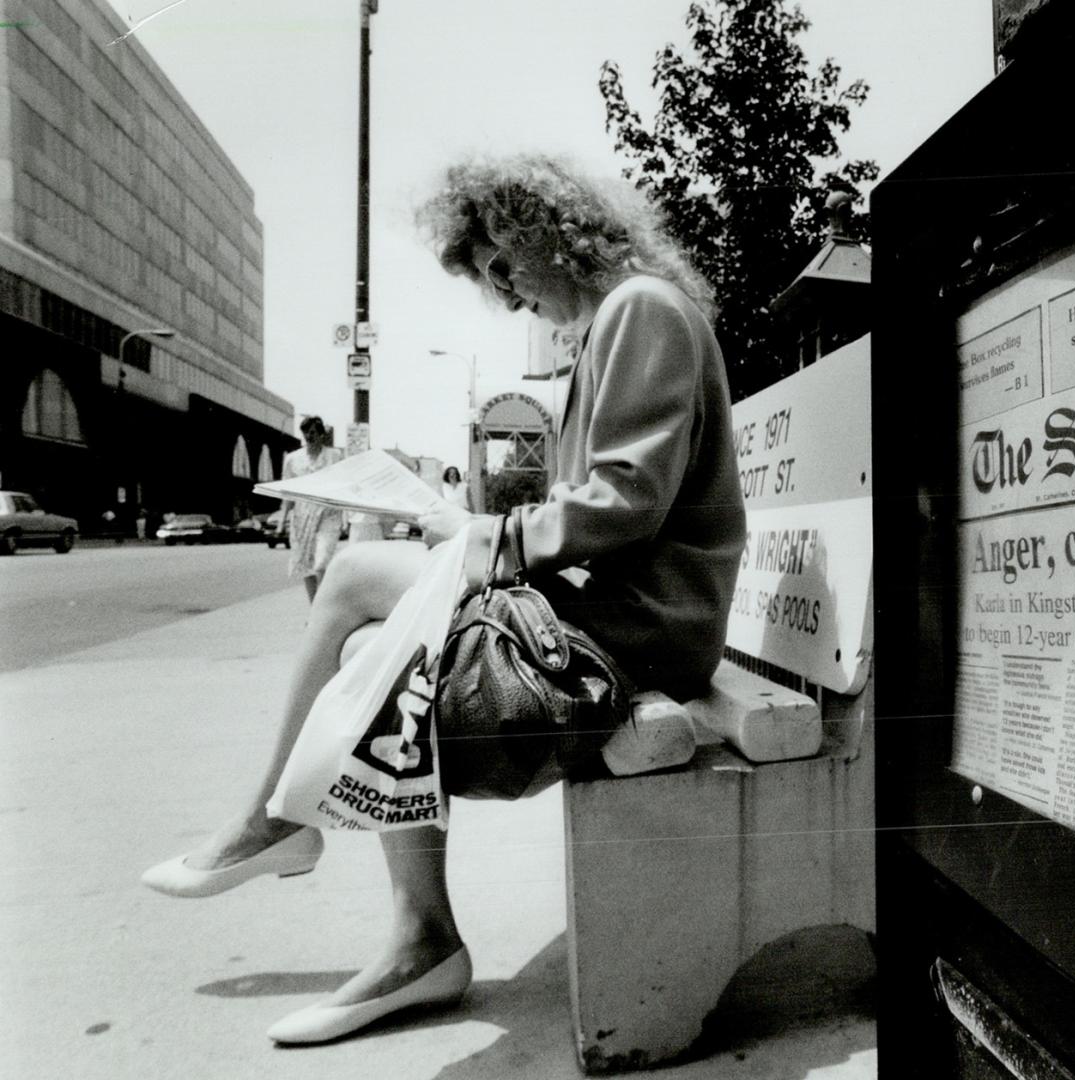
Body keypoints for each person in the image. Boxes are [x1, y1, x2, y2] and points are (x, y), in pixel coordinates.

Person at [139, 153, 746, 1044]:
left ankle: (298, 842)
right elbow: (611, 507)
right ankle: (383, 907)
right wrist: (470, 533)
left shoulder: (641, 311)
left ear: (546, 234)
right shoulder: (617, 323)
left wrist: (489, 543)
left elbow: (627, 502)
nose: (504, 296)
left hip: (639, 632)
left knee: (362, 606)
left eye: (503, 266)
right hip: (616, 615)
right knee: (361, 620)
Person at [279, 417, 346, 601]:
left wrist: (345, 516)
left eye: (314, 432)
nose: (310, 436)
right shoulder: (292, 459)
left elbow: (343, 487)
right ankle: (315, 608)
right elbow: (288, 492)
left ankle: (322, 605)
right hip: (302, 515)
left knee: (321, 562)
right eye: (306, 432)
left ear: (322, 435)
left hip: (328, 513)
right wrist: (281, 521)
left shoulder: (335, 456)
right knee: (305, 565)